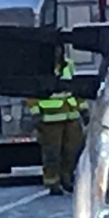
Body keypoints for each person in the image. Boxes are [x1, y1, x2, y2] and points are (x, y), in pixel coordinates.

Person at [27, 53, 87, 195]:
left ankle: (66, 178)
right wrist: (36, 113)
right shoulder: (38, 68)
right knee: (52, 153)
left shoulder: (69, 66)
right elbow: (32, 93)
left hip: (71, 116)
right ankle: (52, 182)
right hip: (50, 119)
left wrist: (83, 110)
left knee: (72, 150)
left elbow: (76, 89)